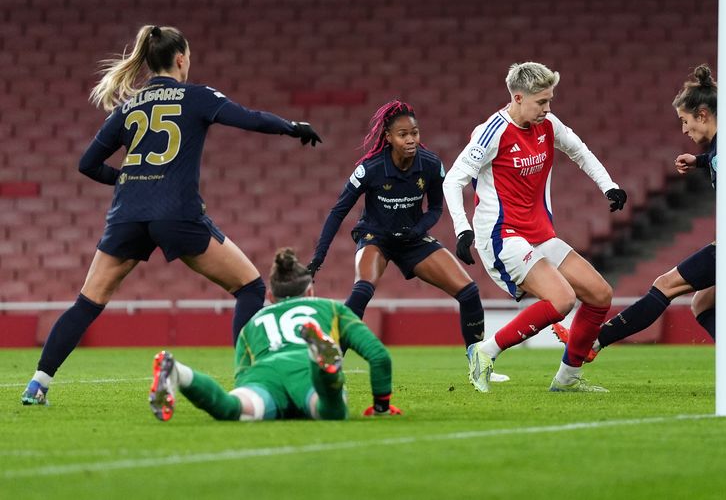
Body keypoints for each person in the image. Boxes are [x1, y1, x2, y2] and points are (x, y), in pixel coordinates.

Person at [21, 25, 322, 406]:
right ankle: (251, 379)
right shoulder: (196, 96)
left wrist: (129, 181)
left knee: (87, 302)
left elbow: (87, 164)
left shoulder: (129, 105)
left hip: (128, 215)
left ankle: (37, 384)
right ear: (181, 59)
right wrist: (293, 127)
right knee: (249, 287)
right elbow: (249, 118)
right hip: (176, 213)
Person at [553, 64, 726, 390]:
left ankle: (594, 342)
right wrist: (699, 161)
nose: (684, 130)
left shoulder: (724, 151)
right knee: (703, 304)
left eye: (685, 121)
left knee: (665, 285)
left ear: (702, 114)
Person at [443, 61, 628, 393]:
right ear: (517, 97)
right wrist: (461, 230)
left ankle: (567, 380)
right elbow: (453, 180)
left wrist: (609, 186)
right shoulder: (492, 132)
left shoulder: (549, 124)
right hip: (501, 235)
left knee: (600, 294)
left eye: (549, 100)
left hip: (538, 232)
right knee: (561, 300)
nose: (548, 108)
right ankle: (485, 353)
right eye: (541, 101)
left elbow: (580, 152)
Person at [306, 101, 508, 382]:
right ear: (388, 137)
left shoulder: (431, 164)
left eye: (414, 132)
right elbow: (338, 211)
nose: (411, 139)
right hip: (375, 237)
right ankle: (330, 362)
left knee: (469, 292)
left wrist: (417, 230)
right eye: (403, 134)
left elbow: (436, 208)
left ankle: (478, 367)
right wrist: (319, 256)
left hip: (412, 239)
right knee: (363, 289)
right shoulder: (370, 168)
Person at [149, 248, 400, 421]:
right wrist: (381, 408)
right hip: (305, 371)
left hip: (265, 374)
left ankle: (178, 372)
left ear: (270, 297)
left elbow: (242, 377)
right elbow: (379, 357)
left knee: (233, 409)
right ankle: (322, 365)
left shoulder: (252, 323)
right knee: (331, 411)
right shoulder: (332, 309)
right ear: (310, 293)